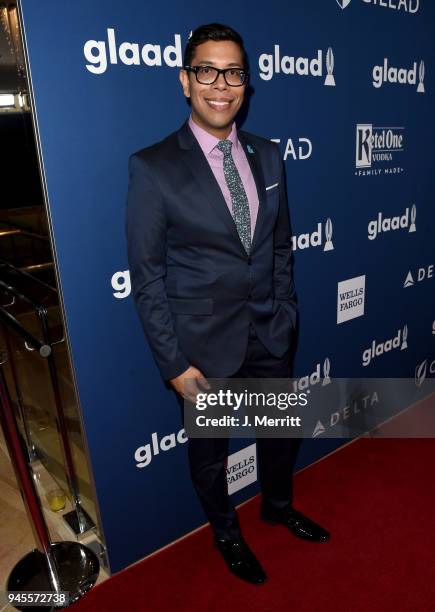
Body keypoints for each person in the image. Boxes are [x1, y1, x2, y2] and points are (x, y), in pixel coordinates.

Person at [126, 23, 329, 585]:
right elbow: (147, 278)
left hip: (269, 331)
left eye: (233, 71)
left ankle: (277, 506)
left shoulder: (268, 156)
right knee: (211, 458)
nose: (221, 84)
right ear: (186, 81)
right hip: (202, 350)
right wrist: (174, 365)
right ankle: (227, 534)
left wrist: (285, 313)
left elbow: (281, 246)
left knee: (279, 434)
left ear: (246, 81)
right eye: (207, 71)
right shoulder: (154, 166)